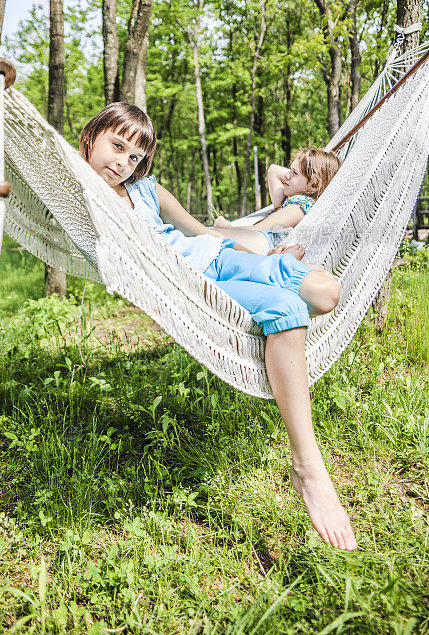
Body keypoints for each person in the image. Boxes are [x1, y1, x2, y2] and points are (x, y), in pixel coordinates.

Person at [80, 102, 357, 551]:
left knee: (328, 293)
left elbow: (201, 233)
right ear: (91, 136)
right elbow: (56, 171)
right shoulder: (83, 189)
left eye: (133, 156)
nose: (122, 163)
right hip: (195, 286)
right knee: (288, 311)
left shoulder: (149, 190)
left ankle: (279, 265)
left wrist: (262, 253)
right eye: (116, 146)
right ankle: (309, 467)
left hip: (221, 259)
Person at [213, 149, 342, 256]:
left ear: (313, 185)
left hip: (258, 245)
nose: (287, 175)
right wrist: (299, 176)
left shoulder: (300, 207)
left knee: (201, 235)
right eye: (290, 170)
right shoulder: (291, 201)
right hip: (254, 245)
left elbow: (256, 230)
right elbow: (273, 170)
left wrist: (226, 228)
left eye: (294, 173)